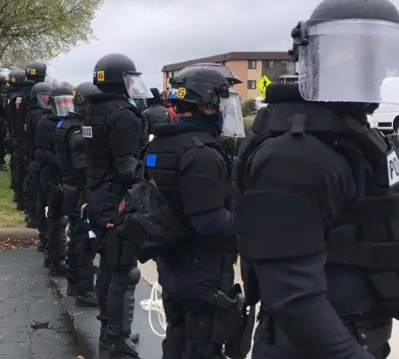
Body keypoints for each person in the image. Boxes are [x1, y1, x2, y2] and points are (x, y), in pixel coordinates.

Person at [234, 0, 399, 358]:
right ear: (317, 56)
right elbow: (293, 297)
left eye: (379, 53)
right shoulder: (296, 156)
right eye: (353, 52)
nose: (370, 66)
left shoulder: (353, 139)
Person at [148, 66, 241, 359]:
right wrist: (251, 223)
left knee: (177, 337)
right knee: (203, 346)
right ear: (206, 105)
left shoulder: (161, 143)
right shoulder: (202, 153)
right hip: (201, 267)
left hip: (174, 263)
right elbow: (210, 221)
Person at [83, 53, 148, 358]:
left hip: (97, 193)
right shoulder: (123, 114)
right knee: (124, 270)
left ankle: (110, 329)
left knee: (109, 263)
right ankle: (118, 339)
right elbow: (126, 167)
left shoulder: (92, 109)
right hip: (116, 198)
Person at [54, 81, 101, 307]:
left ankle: (75, 283)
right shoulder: (78, 130)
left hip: (70, 188)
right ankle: (84, 288)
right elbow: (83, 166)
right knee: (84, 240)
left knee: (76, 237)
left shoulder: (66, 123)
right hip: (79, 190)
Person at [33, 83, 67, 275]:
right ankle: (52, 254)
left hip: (64, 174)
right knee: (53, 217)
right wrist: (60, 162)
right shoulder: (45, 122)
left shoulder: (70, 122)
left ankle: (56, 254)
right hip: (50, 174)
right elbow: (42, 151)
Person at [22, 61, 49, 229]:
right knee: (36, 186)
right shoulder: (40, 116)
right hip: (36, 153)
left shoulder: (21, 98)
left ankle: (30, 213)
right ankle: (34, 216)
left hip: (27, 148)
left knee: (30, 181)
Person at [6, 68, 27, 210]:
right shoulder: (21, 98)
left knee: (16, 165)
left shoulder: (10, 97)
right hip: (21, 137)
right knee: (22, 168)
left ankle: (17, 195)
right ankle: (21, 198)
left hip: (13, 135)